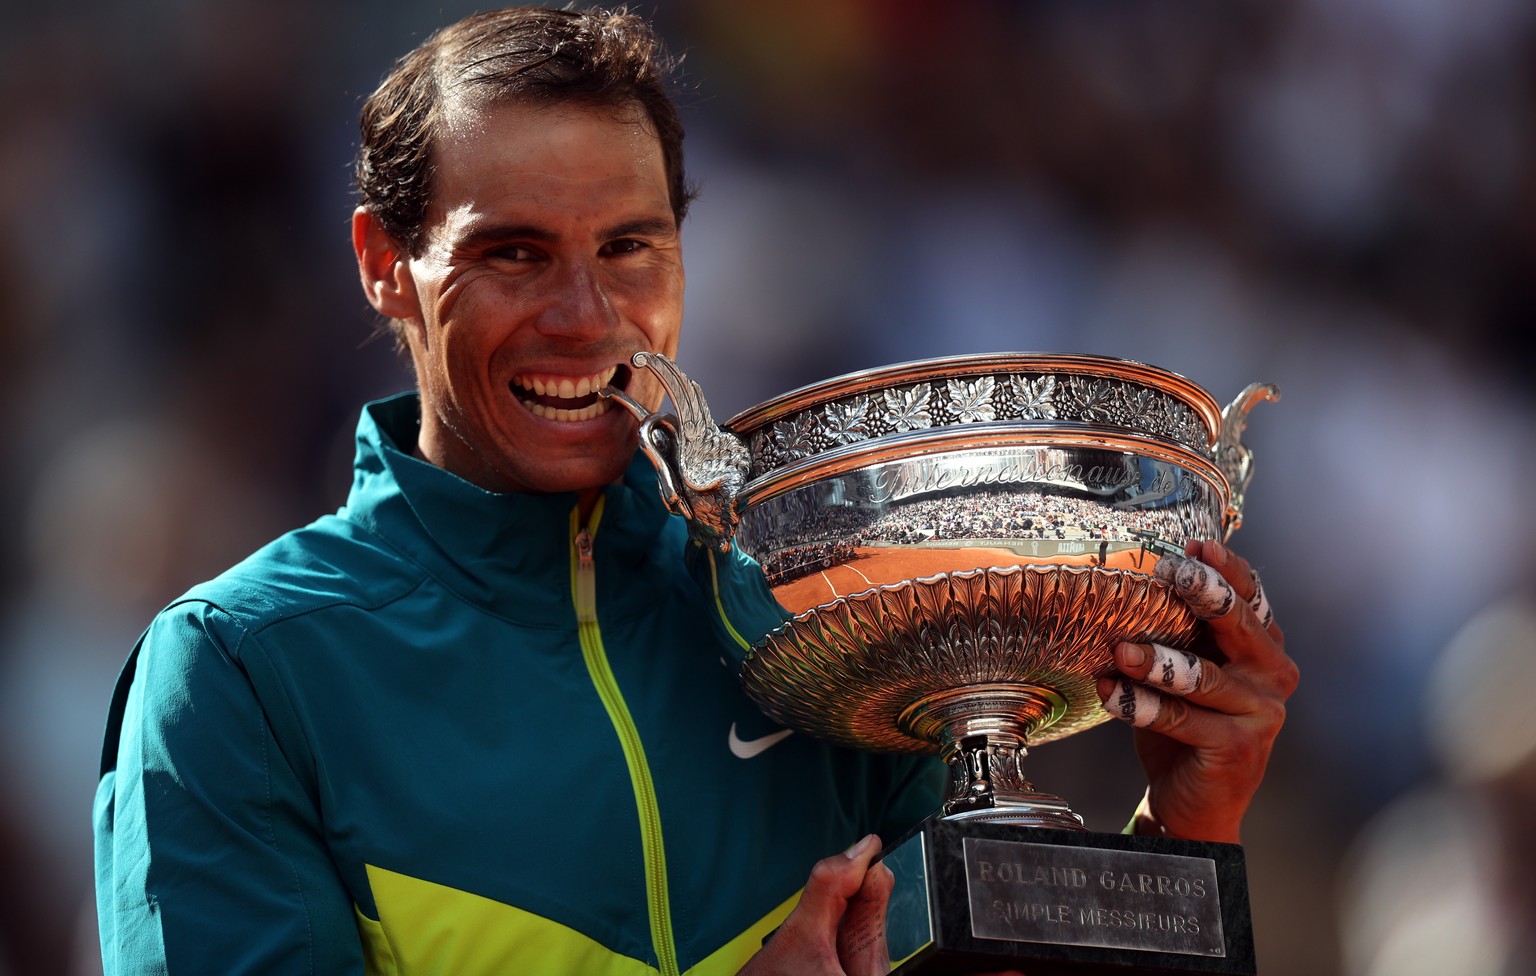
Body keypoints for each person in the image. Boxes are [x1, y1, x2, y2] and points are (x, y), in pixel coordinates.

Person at [91, 7, 1297, 975]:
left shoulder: (811, 615)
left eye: (629, 247)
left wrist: (1184, 828)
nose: (584, 318)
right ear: (383, 267)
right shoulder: (242, 672)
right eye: (511, 252)